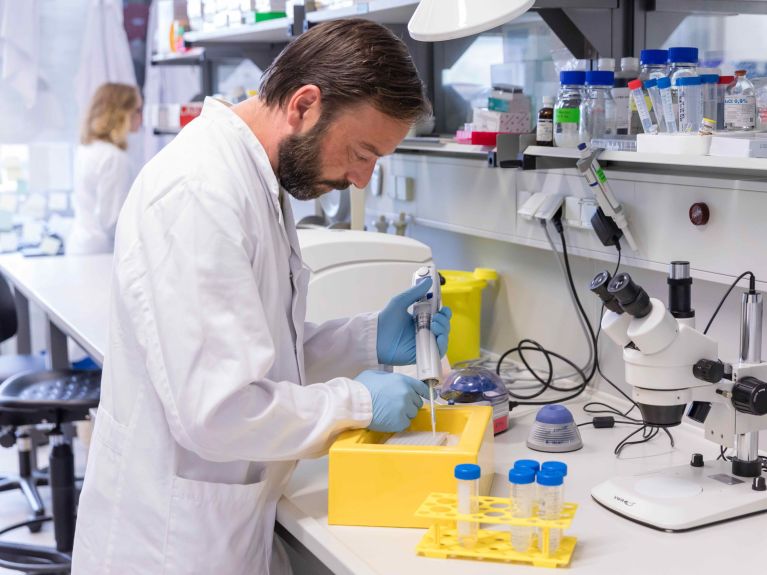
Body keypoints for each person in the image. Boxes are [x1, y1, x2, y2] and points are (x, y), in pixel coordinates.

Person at [72, 19, 452, 574]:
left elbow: (260, 354)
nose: (364, 178)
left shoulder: (256, 180)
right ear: (304, 105)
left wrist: (366, 338)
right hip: (168, 544)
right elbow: (220, 410)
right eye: (362, 151)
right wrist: (359, 403)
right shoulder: (200, 194)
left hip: (222, 522)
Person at [67, 82, 142, 255]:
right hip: (101, 251)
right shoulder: (114, 158)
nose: (141, 117)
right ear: (121, 114)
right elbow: (112, 221)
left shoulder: (87, 148)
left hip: (81, 244)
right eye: (137, 111)